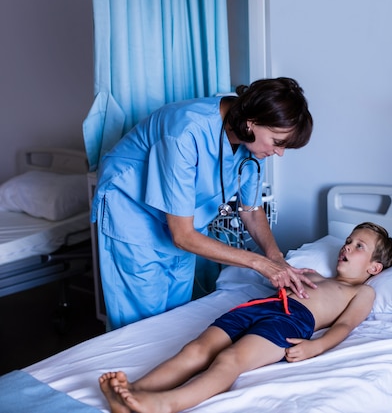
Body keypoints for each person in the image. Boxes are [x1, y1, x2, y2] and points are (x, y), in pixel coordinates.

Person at [98, 222, 392, 413]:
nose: (347, 246)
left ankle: (166, 404)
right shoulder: (313, 273)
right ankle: (133, 392)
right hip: (258, 307)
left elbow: (346, 326)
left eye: (359, 246)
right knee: (195, 350)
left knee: (230, 360)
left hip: (290, 322)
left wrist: (316, 347)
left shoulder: (362, 293)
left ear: (374, 269)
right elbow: (277, 277)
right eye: (349, 240)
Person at [91, 77, 315, 330]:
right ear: (252, 123)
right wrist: (258, 263)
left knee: (174, 314)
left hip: (185, 222)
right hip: (132, 213)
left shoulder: (250, 145)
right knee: (140, 322)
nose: (280, 153)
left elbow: (251, 211)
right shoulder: (185, 132)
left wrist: (276, 258)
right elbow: (182, 235)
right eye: (277, 142)